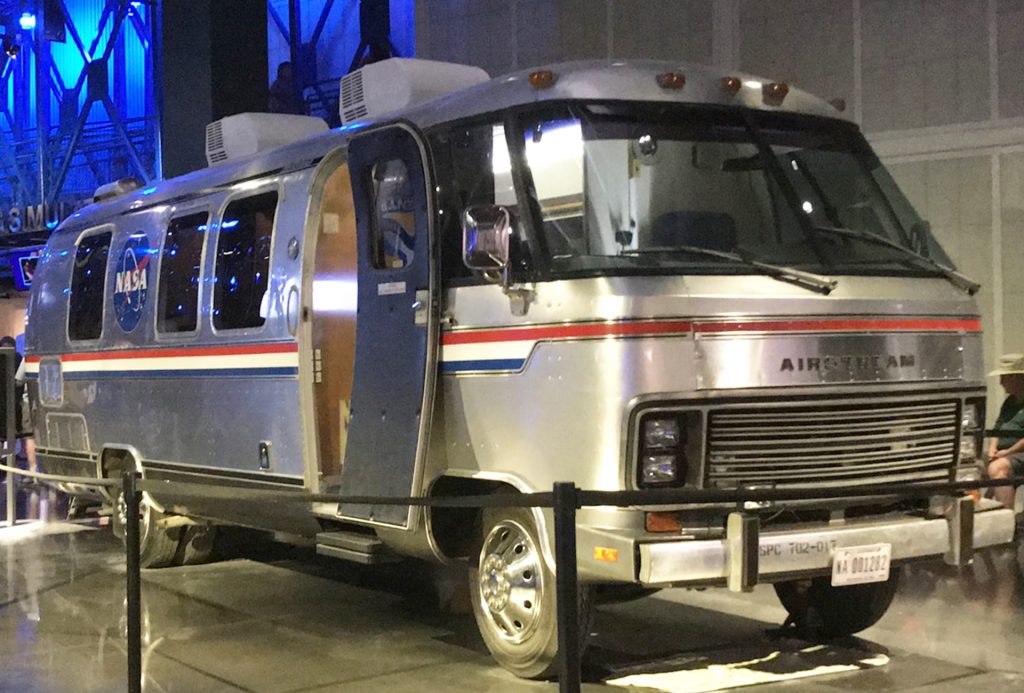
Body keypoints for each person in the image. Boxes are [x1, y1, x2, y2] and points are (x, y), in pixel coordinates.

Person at [986, 353, 1024, 511]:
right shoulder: (1009, 402)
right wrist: (992, 448)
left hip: (1019, 452)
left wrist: (1007, 451)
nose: (1001, 383)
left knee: (998, 468)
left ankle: (1007, 520)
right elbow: (997, 427)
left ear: (1018, 378)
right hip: (1004, 452)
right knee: (970, 467)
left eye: (1005, 378)